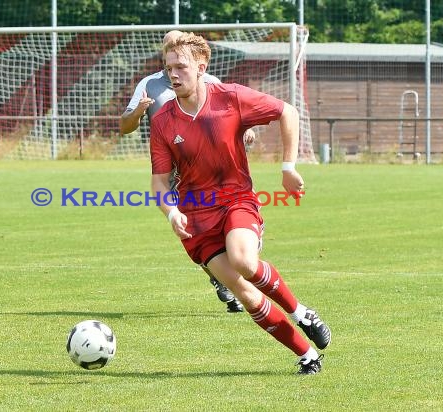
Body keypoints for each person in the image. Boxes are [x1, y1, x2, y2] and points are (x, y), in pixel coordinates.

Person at [149, 32, 331, 374]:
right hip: (194, 220)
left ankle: (300, 312)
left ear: (201, 68)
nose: (173, 74)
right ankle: (307, 355)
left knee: (244, 260)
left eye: (181, 67)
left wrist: (288, 168)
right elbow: (159, 182)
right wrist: (171, 210)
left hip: (236, 200)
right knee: (246, 296)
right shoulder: (162, 121)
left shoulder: (230, 97)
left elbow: (286, 112)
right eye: (168, 67)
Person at [121, 30, 253, 313]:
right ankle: (218, 275)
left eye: (176, 45)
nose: (172, 49)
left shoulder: (209, 81)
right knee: (191, 233)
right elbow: (124, 126)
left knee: (218, 229)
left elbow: (234, 111)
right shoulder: (149, 84)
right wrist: (138, 112)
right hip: (171, 175)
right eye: (167, 45)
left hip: (208, 173)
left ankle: (233, 275)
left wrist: (247, 130)